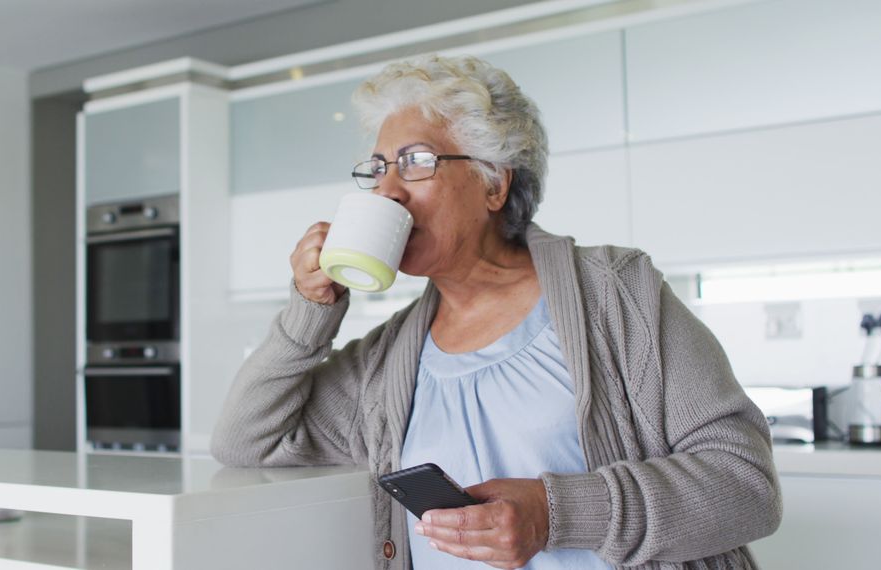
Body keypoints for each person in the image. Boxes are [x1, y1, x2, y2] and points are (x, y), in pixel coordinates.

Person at [211, 54, 781, 570]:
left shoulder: (614, 293)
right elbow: (246, 441)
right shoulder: (388, 361)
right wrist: (311, 308)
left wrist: (555, 514)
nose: (386, 190)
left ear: (494, 184)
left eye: (415, 162)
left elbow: (746, 485)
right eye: (377, 166)